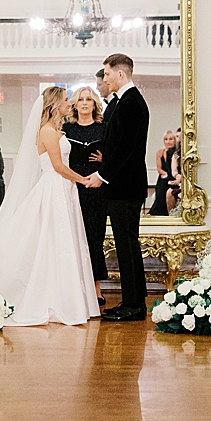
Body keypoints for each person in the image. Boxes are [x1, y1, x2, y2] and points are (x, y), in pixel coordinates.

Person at [0, 85, 102, 327]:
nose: (69, 104)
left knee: (62, 239)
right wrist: (83, 180)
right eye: (66, 100)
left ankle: (67, 297)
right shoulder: (47, 131)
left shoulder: (56, 129)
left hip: (64, 188)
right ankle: (53, 298)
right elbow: (58, 166)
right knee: (52, 240)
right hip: (54, 187)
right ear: (54, 105)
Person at [87, 54, 151, 320]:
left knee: (127, 245)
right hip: (123, 186)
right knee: (127, 245)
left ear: (120, 74)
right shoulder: (124, 101)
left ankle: (134, 305)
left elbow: (125, 149)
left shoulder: (131, 103)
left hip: (125, 187)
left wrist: (102, 175)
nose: (105, 78)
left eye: (107, 73)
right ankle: (134, 300)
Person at [63, 87, 109, 306]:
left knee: (94, 237)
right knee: (72, 236)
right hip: (72, 185)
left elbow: (115, 156)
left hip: (96, 186)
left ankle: (96, 289)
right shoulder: (66, 129)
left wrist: (103, 159)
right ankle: (72, 288)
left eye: (88, 99)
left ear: (94, 104)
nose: (84, 103)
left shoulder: (104, 128)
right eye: (80, 99)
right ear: (74, 104)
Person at [148, 128, 181, 216]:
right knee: (162, 185)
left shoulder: (177, 152)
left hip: (174, 177)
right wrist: (166, 174)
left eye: (171, 139)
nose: (168, 142)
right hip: (164, 177)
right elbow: (159, 169)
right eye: (166, 139)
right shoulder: (160, 152)